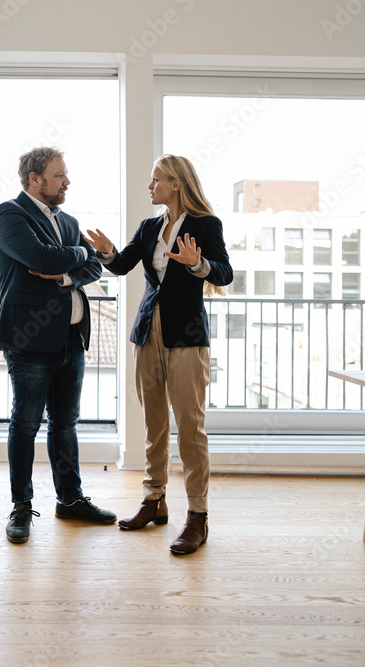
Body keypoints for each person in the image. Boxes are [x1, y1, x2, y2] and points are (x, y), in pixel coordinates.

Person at [85, 154, 232, 555]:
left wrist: (197, 263)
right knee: (153, 422)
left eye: (156, 181)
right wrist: (107, 253)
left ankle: (197, 516)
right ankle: (154, 501)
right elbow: (122, 266)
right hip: (148, 331)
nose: (151, 187)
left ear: (177, 183)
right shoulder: (150, 226)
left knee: (189, 425)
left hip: (187, 336)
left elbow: (224, 273)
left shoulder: (205, 225)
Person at [0, 147, 117, 544]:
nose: (67, 182)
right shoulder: (10, 213)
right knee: (26, 425)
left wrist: (66, 276)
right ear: (34, 179)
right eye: (59, 175)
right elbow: (39, 257)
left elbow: (93, 267)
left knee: (65, 424)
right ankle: (21, 507)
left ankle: (70, 499)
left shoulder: (69, 220)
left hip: (71, 339)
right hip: (29, 338)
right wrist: (80, 252)